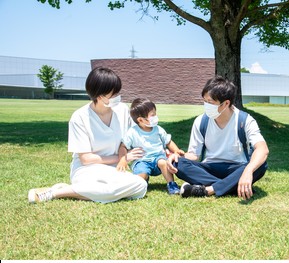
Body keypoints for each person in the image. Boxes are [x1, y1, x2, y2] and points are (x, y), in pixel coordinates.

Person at [28, 67, 147, 204]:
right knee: (109, 190)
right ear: (100, 96)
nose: (117, 97)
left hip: (114, 170)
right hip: (86, 170)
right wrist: (123, 157)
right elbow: (86, 159)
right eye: (113, 94)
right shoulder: (79, 117)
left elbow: (132, 138)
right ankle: (55, 193)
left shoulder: (122, 110)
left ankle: (73, 190)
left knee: (140, 185)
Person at [167, 76, 269, 200]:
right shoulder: (201, 121)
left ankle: (208, 190)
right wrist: (178, 156)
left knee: (260, 164)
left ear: (226, 103)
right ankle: (231, 186)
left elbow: (262, 149)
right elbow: (194, 155)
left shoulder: (245, 120)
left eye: (210, 102)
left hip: (237, 168)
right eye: (205, 101)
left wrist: (248, 171)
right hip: (210, 167)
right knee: (178, 164)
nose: (206, 105)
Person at [116, 98, 185, 194]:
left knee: (163, 162)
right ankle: (142, 183)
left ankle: (171, 184)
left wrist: (176, 150)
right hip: (141, 161)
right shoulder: (132, 132)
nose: (156, 117)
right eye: (152, 115)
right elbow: (123, 146)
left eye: (155, 114)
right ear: (140, 120)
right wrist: (123, 160)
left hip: (158, 158)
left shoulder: (158, 129)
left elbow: (168, 141)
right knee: (141, 176)